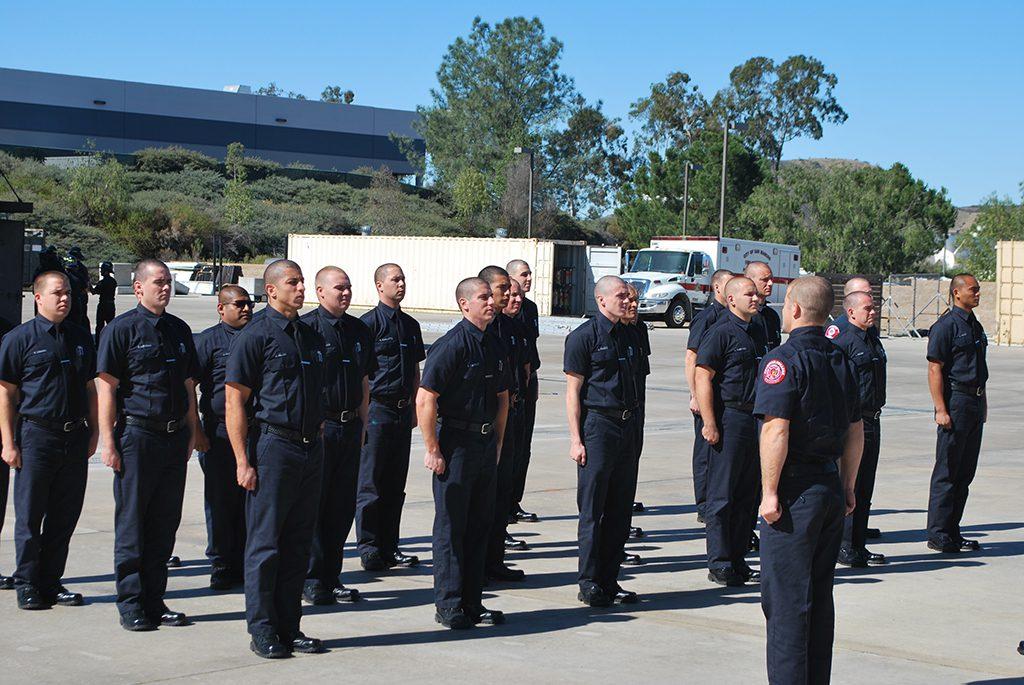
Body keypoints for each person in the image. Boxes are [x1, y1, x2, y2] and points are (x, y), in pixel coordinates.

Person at [754, 276, 863, 685]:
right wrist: (848, 485)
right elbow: (856, 430)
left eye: (786, 306)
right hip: (830, 489)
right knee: (818, 599)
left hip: (795, 493)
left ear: (796, 309)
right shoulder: (843, 359)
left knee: (785, 605)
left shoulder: (782, 361)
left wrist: (768, 493)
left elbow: (776, 431)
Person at [225, 259, 327, 658]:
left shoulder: (309, 335)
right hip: (274, 448)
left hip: (309, 448)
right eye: (293, 282)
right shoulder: (257, 336)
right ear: (271, 290)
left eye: (302, 282)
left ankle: (290, 625)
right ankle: (263, 630)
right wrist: (241, 460)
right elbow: (235, 399)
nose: (300, 289)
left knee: (300, 543)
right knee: (266, 545)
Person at [96, 259, 205, 632]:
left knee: (163, 523)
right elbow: (107, 388)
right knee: (133, 524)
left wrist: (193, 429)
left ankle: (154, 600)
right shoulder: (121, 330)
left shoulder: (179, 329)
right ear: (139, 288)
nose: (166, 288)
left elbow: (190, 385)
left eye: (169, 282)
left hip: (174, 438)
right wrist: (108, 442)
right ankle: (130, 603)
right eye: (158, 282)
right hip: (137, 436)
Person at [0, 271, 97, 610]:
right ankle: (27, 582)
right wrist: (8, 443)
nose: (64, 299)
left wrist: (95, 430)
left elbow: (90, 388)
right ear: (38, 297)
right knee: (30, 516)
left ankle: (52, 581)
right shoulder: (18, 339)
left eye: (68, 293)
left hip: (74, 437)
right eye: (57, 293)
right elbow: (6, 394)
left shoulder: (81, 337)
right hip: (36, 436)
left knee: (64, 515)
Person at [417, 277, 509, 629]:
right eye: (483, 297)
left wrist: (498, 442)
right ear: (464, 304)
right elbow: (426, 398)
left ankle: (473, 601)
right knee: (451, 527)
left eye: (491, 297)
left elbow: (503, 398)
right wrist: (432, 448)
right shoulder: (451, 345)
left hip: (484, 445)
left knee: (478, 525)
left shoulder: (493, 344)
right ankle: (450, 603)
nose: (490, 302)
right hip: (454, 444)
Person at [564, 275, 642, 608]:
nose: (627, 301)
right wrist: (576, 439)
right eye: (621, 296)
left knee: (621, 509)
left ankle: (611, 580)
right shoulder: (583, 338)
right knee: (594, 510)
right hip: (598, 427)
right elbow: (573, 393)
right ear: (601, 300)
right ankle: (590, 581)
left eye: (629, 296)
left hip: (627, 427)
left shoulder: (633, 334)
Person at [301, 267, 376, 605]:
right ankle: (312, 578)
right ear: (320, 292)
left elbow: (363, 381)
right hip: (321, 428)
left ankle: (331, 577)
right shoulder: (307, 330)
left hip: (350, 429)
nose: (345, 293)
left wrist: (363, 424)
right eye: (338, 288)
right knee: (316, 507)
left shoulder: (359, 330)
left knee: (342, 507)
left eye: (348, 288)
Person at [694, 276, 767, 586]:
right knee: (722, 495)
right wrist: (710, 422)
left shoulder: (759, 329)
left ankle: (738, 558)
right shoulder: (720, 333)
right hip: (730, 418)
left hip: (756, 419)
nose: (756, 297)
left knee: (747, 495)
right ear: (731, 299)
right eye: (748, 293)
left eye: (756, 293)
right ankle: (720, 561)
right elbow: (702, 377)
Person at [356, 263, 425, 572]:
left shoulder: (410, 326)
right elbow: (361, 374)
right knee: (371, 483)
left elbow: (415, 370)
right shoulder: (367, 325)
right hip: (377, 410)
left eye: (403, 279)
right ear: (379, 286)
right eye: (394, 279)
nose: (401, 284)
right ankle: (369, 546)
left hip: (401, 410)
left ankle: (390, 545)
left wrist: (414, 406)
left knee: (396, 483)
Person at [194, 285, 253, 590]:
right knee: (220, 500)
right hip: (217, 433)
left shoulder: (258, 336)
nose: (246, 309)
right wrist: (196, 431)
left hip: (254, 430)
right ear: (221, 309)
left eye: (249, 304)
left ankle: (246, 559)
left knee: (250, 500)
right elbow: (189, 386)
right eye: (239, 304)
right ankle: (221, 562)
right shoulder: (207, 342)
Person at [925, 273, 987, 554]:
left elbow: (980, 372)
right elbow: (935, 368)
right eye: (973, 290)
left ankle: (953, 529)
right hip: (956, 401)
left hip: (973, 402)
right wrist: (941, 408)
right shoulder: (946, 326)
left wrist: (983, 404)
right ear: (957, 293)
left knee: (965, 472)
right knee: (947, 471)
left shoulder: (975, 326)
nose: (977, 294)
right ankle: (938, 533)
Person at [832, 290, 887, 567]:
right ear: (851, 312)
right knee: (849, 484)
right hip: (854, 422)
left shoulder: (871, 339)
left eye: (873, 307)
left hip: (873, 419)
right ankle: (844, 545)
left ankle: (858, 544)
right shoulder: (843, 343)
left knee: (865, 486)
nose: (872, 312)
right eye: (867, 308)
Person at [480, 267, 528, 582]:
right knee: (482, 497)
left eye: (511, 291)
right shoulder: (479, 330)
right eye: (503, 289)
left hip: (508, 418)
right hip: (482, 425)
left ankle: (495, 560)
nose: (510, 295)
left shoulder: (509, 327)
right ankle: (478, 563)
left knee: (502, 492)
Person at [686, 269, 734, 524]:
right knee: (705, 453)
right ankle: (704, 503)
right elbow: (691, 358)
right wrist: (694, 394)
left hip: (728, 398)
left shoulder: (736, 318)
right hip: (707, 396)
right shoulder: (707, 318)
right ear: (717, 288)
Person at [506, 259, 540, 523]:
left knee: (523, 447)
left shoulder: (530, 309)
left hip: (527, 381)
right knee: (508, 448)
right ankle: (504, 505)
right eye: (523, 274)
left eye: (530, 274)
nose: (529, 278)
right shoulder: (500, 318)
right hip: (508, 387)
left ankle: (514, 500)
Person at [622, 284, 651, 565]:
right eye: (627, 299)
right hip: (609, 419)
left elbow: (641, 372)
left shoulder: (639, 330)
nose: (632, 304)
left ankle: (623, 521)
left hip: (635, 407)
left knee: (631, 467)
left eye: (635, 300)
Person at [745, 261, 782, 351]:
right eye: (765, 280)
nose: (770, 283)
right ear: (750, 280)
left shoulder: (772, 316)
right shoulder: (742, 314)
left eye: (771, 279)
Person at [824, 276, 871, 340]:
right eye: (866, 294)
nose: (871, 297)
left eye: (871, 293)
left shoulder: (869, 326)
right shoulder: (839, 329)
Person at [64, 247, 91, 332]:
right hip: (77, 298)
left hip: (79, 298)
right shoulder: (77, 271)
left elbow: (85, 284)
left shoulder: (80, 270)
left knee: (80, 319)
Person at [92, 261, 118, 344]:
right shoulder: (113, 281)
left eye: (102, 270)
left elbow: (94, 291)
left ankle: (98, 343)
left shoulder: (102, 282)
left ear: (105, 271)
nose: (101, 272)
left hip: (103, 305)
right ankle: (112, 342)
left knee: (100, 326)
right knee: (111, 325)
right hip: (111, 305)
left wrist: (88, 284)